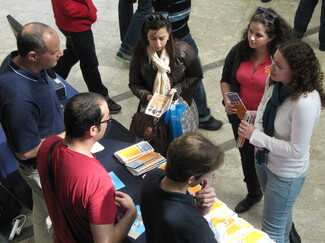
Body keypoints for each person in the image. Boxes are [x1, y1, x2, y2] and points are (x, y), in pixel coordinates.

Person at [238, 40, 325, 243]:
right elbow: (263, 105)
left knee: (272, 231)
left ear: (296, 71)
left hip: (286, 173)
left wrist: (257, 137)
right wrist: (257, 130)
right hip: (265, 160)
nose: (269, 68)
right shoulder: (276, 82)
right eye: (272, 61)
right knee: (281, 216)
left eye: (278, 65)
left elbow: (297, 151)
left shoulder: (304, 103)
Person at [220, 7, 294, 214]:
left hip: (267, 122)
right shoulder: (239, 51)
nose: (251, 38)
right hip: (241, 118)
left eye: (258, 35)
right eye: (250, 32)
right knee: (245, 156)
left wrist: (259, 117)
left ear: (271, 37)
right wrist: (227, 97)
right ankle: (253, 192)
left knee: (267, 159)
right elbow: (226, 78)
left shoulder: (279, 61)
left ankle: (274, 197)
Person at [37, 92, 137, 242]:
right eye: (107, 119)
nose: (109, 121)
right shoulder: (97, 180)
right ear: (93, 130)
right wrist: (131, 214)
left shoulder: (47, 145)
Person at [0, 22, 65, 242]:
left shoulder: (22, 63)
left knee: (42, 209)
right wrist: (70, 136)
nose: (61, 53)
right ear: (32, 55)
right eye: (54, 52)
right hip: (40, 167)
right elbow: (26, 151)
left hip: (46, 157)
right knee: (53, 216)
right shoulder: (17, 98)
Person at [140, 132, 224, 242]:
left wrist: (197, 210)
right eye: (208, 175)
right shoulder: (195, 226)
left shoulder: (152, 176)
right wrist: (200, 215)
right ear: (191, 178)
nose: (207, 179)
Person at [153, 0, 223, 131]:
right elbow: (160, 19)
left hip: (182, 33)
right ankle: (174, 119)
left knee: (195, 75)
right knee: (176, 79)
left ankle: (201, 114)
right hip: (173, 39)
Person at [129, 13, 201, 139]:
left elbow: (196, 75)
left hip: (180, 105)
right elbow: (134, 83)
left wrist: (177, 89)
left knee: (182, 141)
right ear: (146, 36)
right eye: (153, 38)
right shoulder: (139, 54)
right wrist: (146, 96)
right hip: (152, 107)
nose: (158, 44)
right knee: (155, 140)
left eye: (162, 38)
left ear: (169, 33)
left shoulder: (183, 50)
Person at [50, 0, 122, 113]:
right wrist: (88, 12)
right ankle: (100, 97)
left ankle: (51, 78)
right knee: (89, 63)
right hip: (76, 24)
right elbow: (67, 5)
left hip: (67, 21)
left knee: (72, 53)